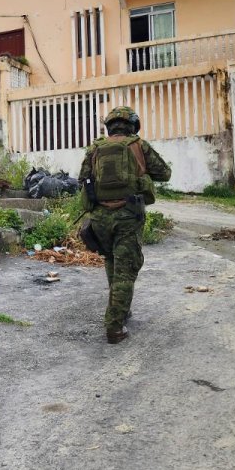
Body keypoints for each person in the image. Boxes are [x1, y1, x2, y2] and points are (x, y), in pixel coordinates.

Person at [78, 106, 172, 345]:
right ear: (132, 125)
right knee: (125, 271)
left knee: (111, 260)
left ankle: (121, 309)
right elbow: (165, 173)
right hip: (128, 216)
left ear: (109, 126)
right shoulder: (139, 145)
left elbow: (83, 179)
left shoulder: (95, 148)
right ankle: (114, 326)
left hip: (99, 218)